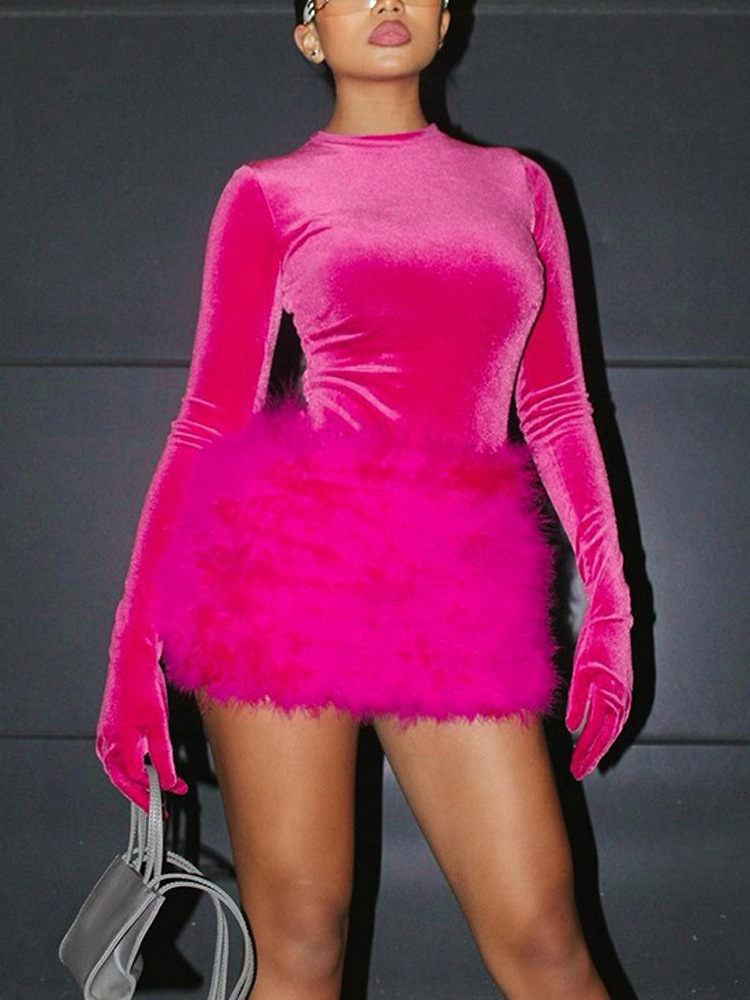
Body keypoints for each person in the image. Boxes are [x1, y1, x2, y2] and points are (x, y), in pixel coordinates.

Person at [95, 0, 635, 997]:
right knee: (301, 946)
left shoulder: (517, 186)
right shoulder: (269, 192)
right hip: (284, 574)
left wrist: (612, 607)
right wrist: (135, 643)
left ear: (446, 19)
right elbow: (208, 416)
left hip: (452, 581)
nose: (385, 1)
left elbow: (557, 401)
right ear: (310, 34)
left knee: (545, 943)